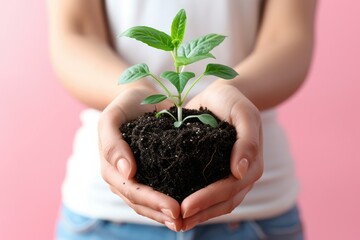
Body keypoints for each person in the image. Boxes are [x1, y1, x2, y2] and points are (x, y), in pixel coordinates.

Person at [48, 0, 316, 239]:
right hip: (103, 219)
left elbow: (287, 37)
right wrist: (132, 92)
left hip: (256, 215)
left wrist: (231, 90)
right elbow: (76, 32)